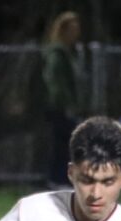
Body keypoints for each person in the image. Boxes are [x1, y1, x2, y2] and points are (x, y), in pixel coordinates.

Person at [42, 11, 84, 188]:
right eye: (72, 29)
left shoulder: (72, 52)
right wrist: (64, 105)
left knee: (68, 143)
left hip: (69, 106)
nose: (76, 33)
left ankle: (60, 179)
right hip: (59, 108)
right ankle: (57, 179)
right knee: (64, 144)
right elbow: (55, 82)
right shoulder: (57, 54)